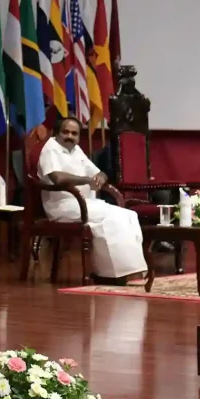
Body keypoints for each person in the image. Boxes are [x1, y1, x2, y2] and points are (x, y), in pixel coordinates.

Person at [38, 116, 147, 281]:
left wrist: (101, 178)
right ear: (56, 133)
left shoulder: (75, 150)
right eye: (65, 132)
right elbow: (57, 178)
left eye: (74, 133)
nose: (70, 136)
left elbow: (97, 172)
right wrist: (87, 181)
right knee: (111, 218)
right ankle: (113, 274)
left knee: (128, 215)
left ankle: (129, 271)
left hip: (84, 203)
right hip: (62, 205)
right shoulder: (50, 149)